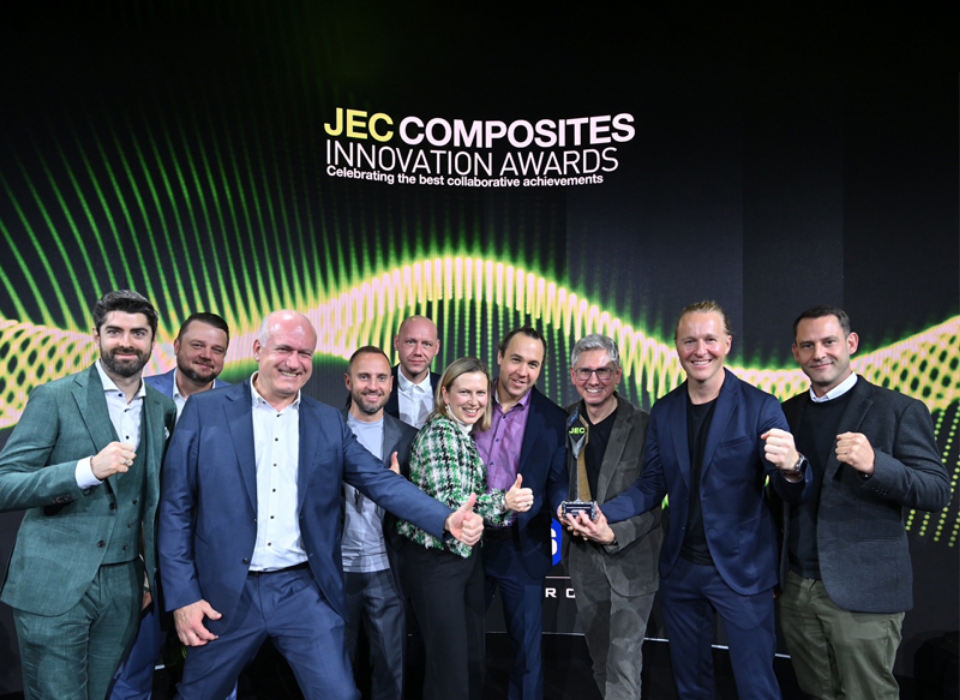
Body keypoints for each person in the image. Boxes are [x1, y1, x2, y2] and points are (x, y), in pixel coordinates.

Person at [158, 310, 484, 700]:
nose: (294, 362)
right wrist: (183, 596)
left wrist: (445, 519)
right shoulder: (205, 410)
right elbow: (175, 509)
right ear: (258, 348)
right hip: (225, 593)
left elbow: (379, 480)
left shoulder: (327, 422)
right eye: (284, 349)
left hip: (301, 591)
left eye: (305, 353)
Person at [566, 300, 812, 700]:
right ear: (678, 347)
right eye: (690, 341)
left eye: (710, 339)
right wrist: (602, 513)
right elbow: (652, 485)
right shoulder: (665, 411)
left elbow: (790, 490)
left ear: (727, 343)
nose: (700, 350)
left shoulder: (761, 406)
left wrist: (794, 468)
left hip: (743, 572)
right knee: (692, 687)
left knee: (757, 688)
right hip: (681, 571)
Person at [0, 289, 177, 700]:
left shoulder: (161, 408)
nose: (126, 342)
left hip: (124, 588)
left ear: (153, 341)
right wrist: (85, 471)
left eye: (138, 333)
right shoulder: (55, 397)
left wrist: (146, 575)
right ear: (96, 336)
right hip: (54, 582)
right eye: (114, 331)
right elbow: (5, 483)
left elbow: (151, 500)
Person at [774, 305, 950, 700]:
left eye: (829, 342)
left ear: (851, 343)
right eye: (808, 345)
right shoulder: (787, 413)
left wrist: (876, 466)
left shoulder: (898, 409)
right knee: (816, 692)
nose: (819, 353)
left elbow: (937, 491)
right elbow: (781, 501)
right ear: (796, 352)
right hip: (798, 588)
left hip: (864, 592)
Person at [111, 311, 232, 700]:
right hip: (141, 560)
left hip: (210, 564)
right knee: (130, 674)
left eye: (217, 349)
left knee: (215, 678)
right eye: (197, 345)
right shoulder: (139, 396)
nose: (206, 355)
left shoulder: (239, 405)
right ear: (176, 346)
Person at [397, 357, 534, 700]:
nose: (474, 401)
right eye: (465, 392)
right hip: (436, 563)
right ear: (445, 394)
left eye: (481, 393)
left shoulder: (463, 434)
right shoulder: (441, 434)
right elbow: (454, 506)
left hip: (465, 560)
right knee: (450, 671)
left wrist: (503, 505)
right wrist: (504, 501)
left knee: (470, 663)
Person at [562, 334, 662, 699]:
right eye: (585, 371)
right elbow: (557, 480)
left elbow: (654, 492)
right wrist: (561, 507)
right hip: (584, 560)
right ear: (573, 375)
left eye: (603, 371)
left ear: (618, 374)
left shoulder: (645, 425)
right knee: (601, 659)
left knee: (623, 663)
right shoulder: (565, 421)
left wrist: (611, 528)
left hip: (632, 559)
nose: (594, 380)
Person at [473, 327, 567, 700]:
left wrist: (562, 506)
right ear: (499, 356)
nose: (523, 372)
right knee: (460, 643)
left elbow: (557, 481)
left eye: (533, 364)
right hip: (468, 542)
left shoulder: (554, 418)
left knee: (527, 655)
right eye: (516, 360)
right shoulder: (470, 399)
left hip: (522, 545)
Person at [342, 345, 419, 700]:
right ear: (348, 382)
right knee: (334, 672)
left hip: (387, 569)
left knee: (390, 673)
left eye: (381, 378)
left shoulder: (409, 438)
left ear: (391, 384)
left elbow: (419, 507)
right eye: (364, 377)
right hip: (336, 571)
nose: (373, 386)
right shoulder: (325, 430)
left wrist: (398, 490)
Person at [388, 315, 442, 428]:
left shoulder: (448, 388)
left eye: (426, 344)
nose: (418, 352)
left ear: (437, 348)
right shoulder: (378, 386)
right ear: (397, 342)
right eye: (411, 342)